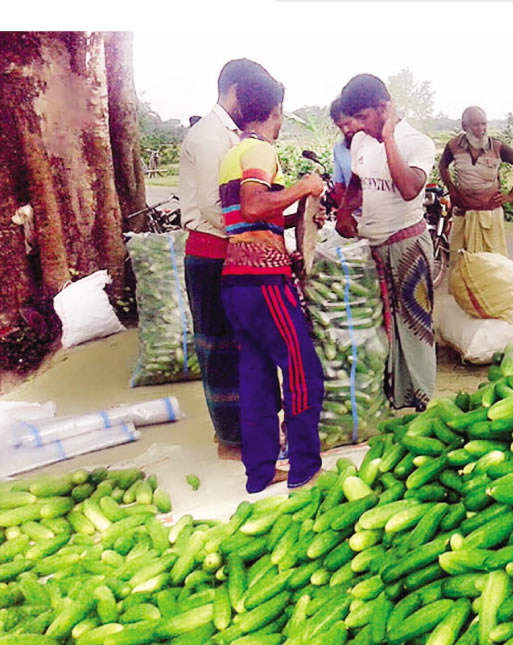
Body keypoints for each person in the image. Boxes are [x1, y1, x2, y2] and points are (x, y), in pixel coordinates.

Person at [217, 71, 326, 492]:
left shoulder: (233, 153)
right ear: (276, 111)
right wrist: (304, 186)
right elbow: (254, 204)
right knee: (302, 371)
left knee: (257, 379)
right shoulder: (260, 150)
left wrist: (296, 225)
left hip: (236, 282)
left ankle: (260, 472)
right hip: (264, 282)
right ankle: (304, 469)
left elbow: (248, 219)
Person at [177, 58, 269, 461]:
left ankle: (243, 434)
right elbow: (218, 210)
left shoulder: (234, 135)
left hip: (231, 253)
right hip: (212, 254)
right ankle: (233, 442)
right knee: (220, 350)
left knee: (243, 347)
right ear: (235, 91)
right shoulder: (210, 137)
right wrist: (269, 223)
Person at [334, 74, 437, 411]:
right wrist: (345, 210)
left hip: (407, 246)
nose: (358, 126)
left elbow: (409, 188)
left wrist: (389, 136)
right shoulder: (361, 142)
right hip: (373, 247)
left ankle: (421, 401)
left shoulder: (416, 143)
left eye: (363, 117)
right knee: (379, 324)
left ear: (384, 108)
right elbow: (356, 182)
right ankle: (390, 397)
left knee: (414, 325)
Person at [438, 106, 513, 266]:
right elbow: (442, 167)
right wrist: (452, 190)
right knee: (461, 264)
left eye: (484, 124)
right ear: (464, 126)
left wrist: (511, 196)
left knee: (492, 265)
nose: (481, 129)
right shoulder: (453, 146)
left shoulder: (497, 147)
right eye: (476, 125)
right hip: (464, 215)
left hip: (490, 216)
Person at [328, 95, 354, 207]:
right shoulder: (339, 148)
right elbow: (339, 186)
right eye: (340, 126)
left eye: (348, 123)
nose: (346, 130)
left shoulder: (377, 143)